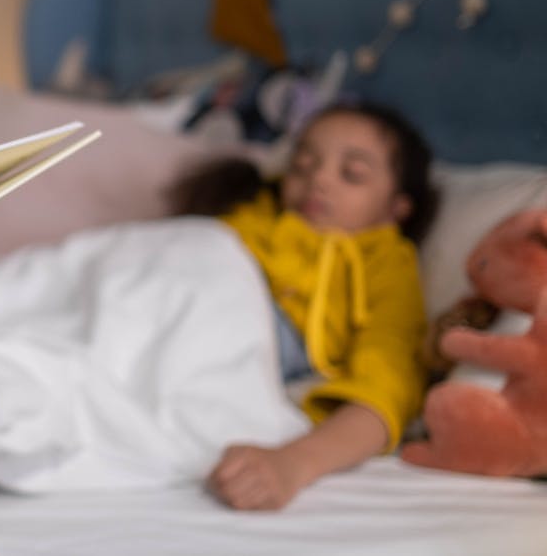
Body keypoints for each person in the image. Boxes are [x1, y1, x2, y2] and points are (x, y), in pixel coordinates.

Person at [173, 101, 439, 511]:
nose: (318, 180)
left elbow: (387, 389)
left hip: (254, 330)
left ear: (397, 208)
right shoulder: (248, 216)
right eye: (303, 163)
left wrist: (291, 465)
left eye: (352, 174)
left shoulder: (386, 263)